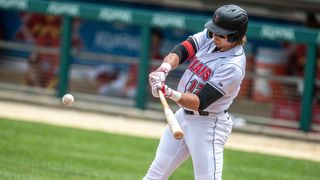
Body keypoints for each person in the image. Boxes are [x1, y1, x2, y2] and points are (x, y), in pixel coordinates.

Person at [144, 4, 248, 180]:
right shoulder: (210, 37)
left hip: (208, 125)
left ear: (235, 36)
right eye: (214, 31)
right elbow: (183, 49)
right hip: (183, 116)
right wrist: (163, 69)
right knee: (156, 173)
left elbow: (199, 101)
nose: (214, 36)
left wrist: (168, 92)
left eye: (220, 33)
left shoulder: (233, 66)